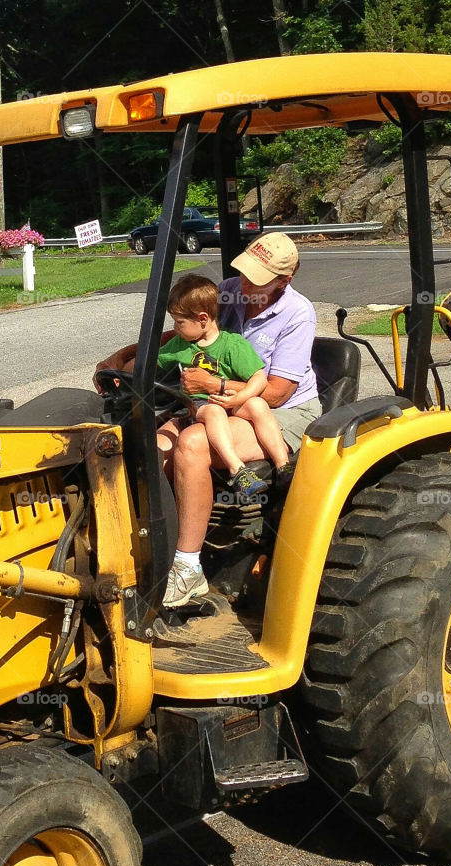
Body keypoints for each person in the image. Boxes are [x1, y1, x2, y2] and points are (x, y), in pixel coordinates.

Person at [96, 232, 318, 609]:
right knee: (152, 445)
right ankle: (146, 550)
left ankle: (188, 569)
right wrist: (123, 358)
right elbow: (188, 331)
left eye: (257, 281)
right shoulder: (230, 290)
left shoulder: (298, 314)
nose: (245, 285)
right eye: (245, 274)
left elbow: (277, 391)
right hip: (215, 403)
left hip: (278, 409)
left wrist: (213, 383)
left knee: (193, 443)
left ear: (285, 281)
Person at [157, 274, 290, 500]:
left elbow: (258, 378)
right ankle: (237, 470)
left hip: (230, 401)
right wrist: (125, 368)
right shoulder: (178, 345)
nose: (175, 328)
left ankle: (284, 466)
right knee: (214, 410)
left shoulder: (233, 344)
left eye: (179, 322)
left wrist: (241, 398)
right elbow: (153, 361)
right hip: (199, 405)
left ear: (202, 319)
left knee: (257, 403)